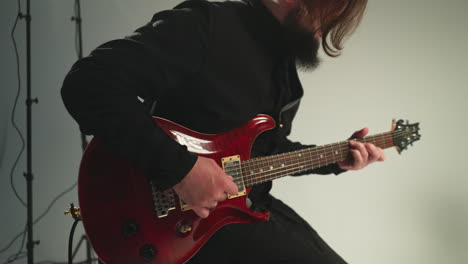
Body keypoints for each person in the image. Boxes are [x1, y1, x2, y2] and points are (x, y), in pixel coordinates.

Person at [61, 0, 385, 263]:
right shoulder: (205, 25)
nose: (320, 33)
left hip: (246, 212)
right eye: (324, 15)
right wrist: (181, 169)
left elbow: (266, 151)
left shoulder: (284, 69)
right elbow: (89, 84)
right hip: (173, 229)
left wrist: (338, 159)